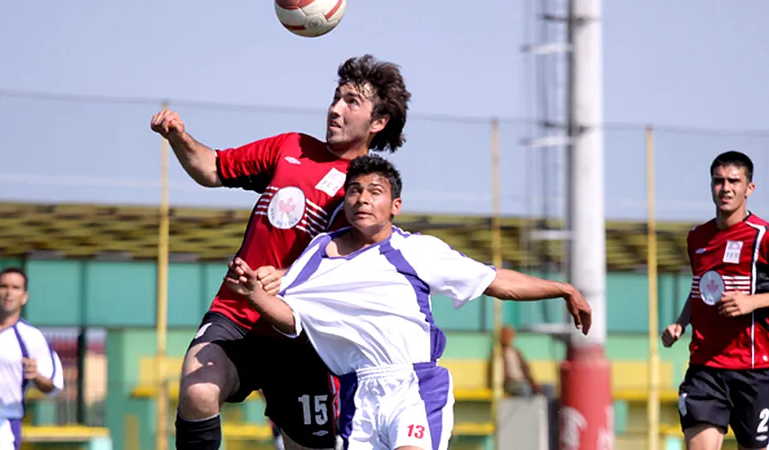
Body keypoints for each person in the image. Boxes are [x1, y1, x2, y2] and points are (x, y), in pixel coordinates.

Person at [224, 155, 593, 450]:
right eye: (354, 191)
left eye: (374, 191)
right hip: (357, 395)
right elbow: (292, 318)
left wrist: (561, 288)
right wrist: (254, 295)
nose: (362, 198)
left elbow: (495, 280)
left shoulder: (416, 250)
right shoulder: (319, 252)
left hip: (413, 386)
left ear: (395, 204)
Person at [150, 54, 411, 450]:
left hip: (306, 339)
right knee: (198, 391)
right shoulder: (291, 148)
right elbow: (213, 168)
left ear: (378, 122)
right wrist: (179, 137)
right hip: (238, 314)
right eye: (336, 97)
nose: (335, 109)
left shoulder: (365, 191)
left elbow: (360, 269)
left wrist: (288, 278)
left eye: (351, 102)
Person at [662, 150, 769, 450]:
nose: (726, 188)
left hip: (755, 371)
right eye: (718, 180)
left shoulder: (764, 237)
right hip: (705, 368)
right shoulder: (697, 238)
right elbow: (700, 288)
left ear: (749, 188)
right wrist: (681, 322)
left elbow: (756, 300)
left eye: (734, 181)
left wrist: (754, 302)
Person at [0, 267, 64, 450]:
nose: (9, 293)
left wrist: (36, 376)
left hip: (4, 427)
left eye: (16, 288)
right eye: (4, 286)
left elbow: (53, 386)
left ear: (24, 296)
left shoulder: (32, 337)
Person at [500, 326, 542, 397]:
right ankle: (526, 408)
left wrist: (533, 382)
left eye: (510, 335)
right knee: (525, 388)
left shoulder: (516, 352)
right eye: (505, 335)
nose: (508, 338)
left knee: (548, 387)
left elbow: (526, 368)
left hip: (523, 380)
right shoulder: (499, 353)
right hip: (511, 383)